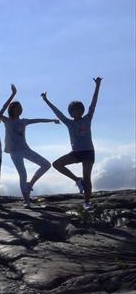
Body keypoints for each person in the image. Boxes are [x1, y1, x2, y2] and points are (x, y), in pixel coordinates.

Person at [41, 77, 103, 210]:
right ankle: (76, 180)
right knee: (56, 164)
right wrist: (46, 100)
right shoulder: (69, 123)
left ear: (82, 110)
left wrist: (98, 85)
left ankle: (86, 203)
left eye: (78, 109)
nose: (76, 112)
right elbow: (57, 112)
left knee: (87, 177)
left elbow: (94, 102)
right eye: (73, 110)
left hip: (88, 151)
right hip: (76, 152)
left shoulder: (88, 118)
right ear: (70, 112)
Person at [0, 98, 59, 207]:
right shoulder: (7, 120)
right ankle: (26, 200)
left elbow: (38, 120)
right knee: (23, 174)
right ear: (12, 110)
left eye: (20, 108)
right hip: (14, 151)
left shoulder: (24, 121)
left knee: (46, 164)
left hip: (26, 149)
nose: (19, 109)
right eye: (17, 108)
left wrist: (52, 120)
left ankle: (30, 184)